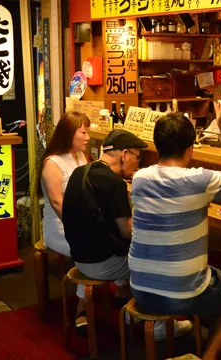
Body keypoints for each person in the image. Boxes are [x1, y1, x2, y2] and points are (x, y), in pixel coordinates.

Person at [130, 103, 221, 360]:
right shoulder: (198, 181)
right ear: (189, 149)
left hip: (140, 288)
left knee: (205, 281)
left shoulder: (140, 178)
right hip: (181, 295)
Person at [62, 129, 192, 340]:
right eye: (137, 158)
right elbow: (127, 231)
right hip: (103, 264)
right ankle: (160, 324)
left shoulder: (80, 172)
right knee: (159, 260)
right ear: (124, 155)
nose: (137, 166)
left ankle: (135, 315)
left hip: (79, 258)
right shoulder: (113, 182)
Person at [38, 111, 90, 326]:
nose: (88, 137)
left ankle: (121, 290)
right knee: (87, 250)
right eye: (84, 132)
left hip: (82, 224)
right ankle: (81, 310)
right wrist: (77, 229)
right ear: (70, 133)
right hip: (58, 227)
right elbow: (57, 202)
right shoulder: (52, 163)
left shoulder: (80, 156)